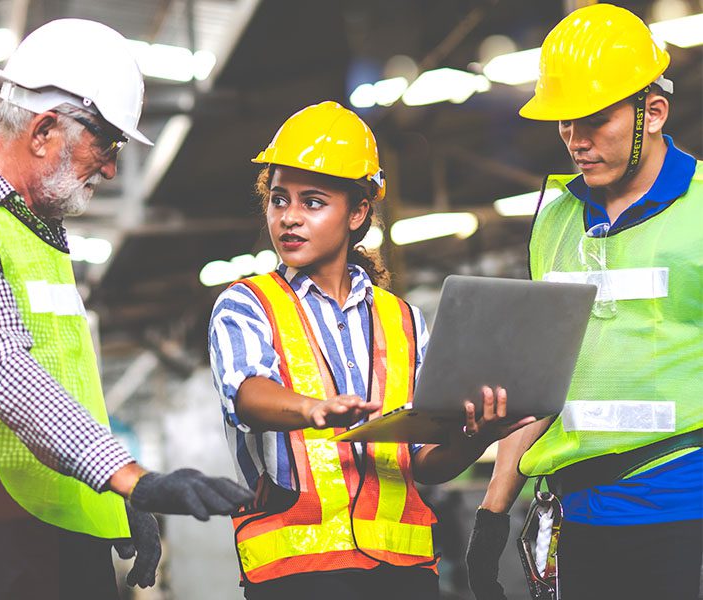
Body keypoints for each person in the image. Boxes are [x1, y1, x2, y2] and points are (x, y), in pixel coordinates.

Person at [0, 19, 252, 600]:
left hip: (52, 519)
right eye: (105, 143)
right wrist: (133, 478)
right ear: (42, 130)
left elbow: (66, 388)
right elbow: (3, 367)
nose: (111, 167)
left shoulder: (38, 240)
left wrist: (110, 499)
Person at [209, 101, 535, 600]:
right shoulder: (246, 303)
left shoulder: (403, 321)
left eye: (312, 202)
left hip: (404, 573)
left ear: (358, 211)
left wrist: (476, 438)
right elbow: (247, 395)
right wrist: (309, 408)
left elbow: (423, 460)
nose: (289, 218)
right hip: (295, 576)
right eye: (278, 200)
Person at [466, 5, 702, 600]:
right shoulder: (555, 224)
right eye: (565, 123)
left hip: (685, 511)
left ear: (653, 111)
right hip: (582, 519)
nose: (576, 140)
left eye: (594, 120)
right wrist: (493, 514)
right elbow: (543, 381)